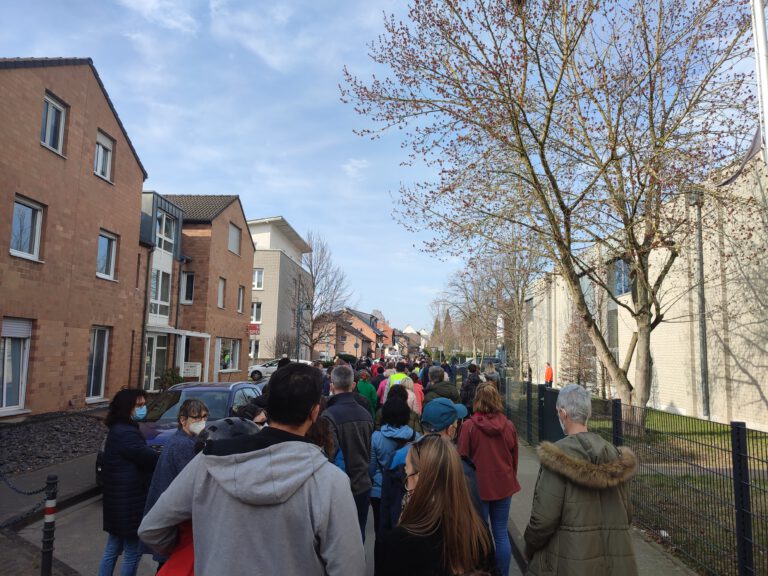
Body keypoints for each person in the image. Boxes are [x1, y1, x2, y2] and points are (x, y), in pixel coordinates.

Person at [139, 363, 366, 575]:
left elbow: (152, 528)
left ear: (268, 407)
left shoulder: (209, 462)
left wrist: (207, 552)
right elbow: (349, 567)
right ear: (315, 413)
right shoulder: (329, 481)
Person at [524, 384, 638, 575]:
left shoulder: (556, 458)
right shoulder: (614, 455)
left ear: (562, 413)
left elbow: (543, 520)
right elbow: (627, 514)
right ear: (588, 414)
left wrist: (529, 547)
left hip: (569, 561)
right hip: (613, 563)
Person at [376, 435, 496, 576]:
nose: (405, 482)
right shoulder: (479, 532)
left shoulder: (400, 542)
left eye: (406, 473)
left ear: (421, 480)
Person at [458, 384, 520, 576]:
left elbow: (462, 457)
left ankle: (482, 571)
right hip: (503, 484)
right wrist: (510, 478)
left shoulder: (468, 427)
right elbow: (514, 457)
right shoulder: (508, 426)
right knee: (500, 532)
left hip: (478, 487)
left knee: (480, 534)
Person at [98, 389, 159, 576]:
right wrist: (164, 455)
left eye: (144, 404)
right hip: (128, 501)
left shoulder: (119, 429)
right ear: (127, 408)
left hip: (118, 499)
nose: (143, 408)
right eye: (139, 405)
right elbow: (146, 457)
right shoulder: (126, 432)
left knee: (113, 547)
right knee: (132, 551)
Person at [143, 399, 209, 569]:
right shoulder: (183, 445)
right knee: (172, 566)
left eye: (204, 417)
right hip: (175, 520)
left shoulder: (179, 440)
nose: (201, 422)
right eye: (196, 418)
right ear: (182, 420)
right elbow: (194, 483)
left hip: (168, 516)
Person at [322, 364, 375, 541]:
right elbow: (369, 450)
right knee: (358, 537)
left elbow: (329, 455)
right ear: (353, 385)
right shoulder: (366, 414)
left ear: (331, 385)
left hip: (339, 488)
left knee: (337, 542)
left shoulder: (328, 415)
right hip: (362, 484)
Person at [369, 397, 420, 560]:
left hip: (380, 490)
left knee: (381, 533)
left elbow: (371, 467)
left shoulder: (376, 437)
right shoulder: (416, 437)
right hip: (408, 490)